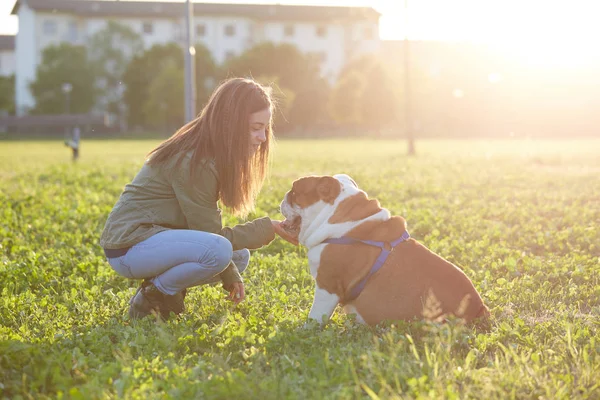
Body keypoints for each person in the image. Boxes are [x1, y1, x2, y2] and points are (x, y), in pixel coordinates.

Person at [99, 78, 296, 320]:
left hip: (150, 242)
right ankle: (155, 294)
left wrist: (231, 272)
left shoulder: (208, 150)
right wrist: (270, 227)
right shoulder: (196, 160)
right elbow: (211, 237)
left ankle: (162, 291)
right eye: (255, 128)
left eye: (265, 128)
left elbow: (209, 235)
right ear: (230, 125)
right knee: (222, 250)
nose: (263, 137)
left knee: (238, 256)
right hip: (129, 246)